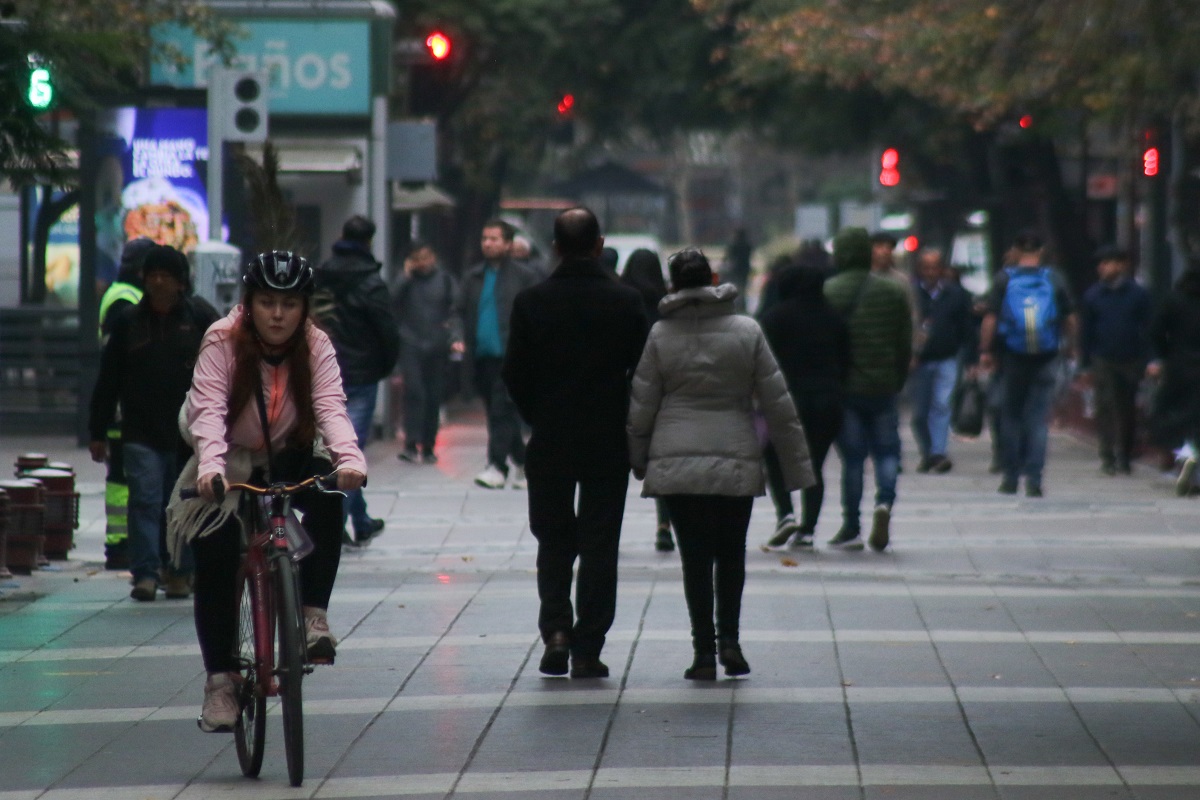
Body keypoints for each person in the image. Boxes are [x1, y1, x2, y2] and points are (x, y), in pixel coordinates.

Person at [166, 251, 367, 733]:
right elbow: (208, 413)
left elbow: (331, 407)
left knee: (327, 494)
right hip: (227, 453)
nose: (278, 315)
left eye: (290, 304)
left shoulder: (316, 346)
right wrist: (211, 471)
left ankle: (313, 615)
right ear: (249, 303)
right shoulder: (222, 340)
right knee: (215, 553)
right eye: (266, 302)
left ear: (304, 308)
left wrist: (350, 459)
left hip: (288, 446)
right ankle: (221, 682)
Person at [627, 249, 814, 681]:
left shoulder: (660, 335)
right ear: (712, 278)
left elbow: (642, 404)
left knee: (694, 559)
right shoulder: (746, 331)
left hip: (677, 462)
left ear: (672, 284)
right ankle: (731, 640)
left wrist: (638, 459)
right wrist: (797, 468)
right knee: (731, 553)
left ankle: (703, 652)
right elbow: (778, 403)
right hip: (735, 457)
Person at [503, 208, 650, 679]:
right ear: (599, 243)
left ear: (555, 246)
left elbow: (514, 373)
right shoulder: (626, 302)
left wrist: (537, 415)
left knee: (553, 538)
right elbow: (643, 372)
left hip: (550, 438)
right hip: (607, 438)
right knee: (600, 543)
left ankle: (557, 630)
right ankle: (589, 645)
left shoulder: (531, 302)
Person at [89, 244, 219, 600]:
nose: (159, 283)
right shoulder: (128, 322)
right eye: (153, 276)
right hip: (140, 430)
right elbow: (108, 380)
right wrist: (97, 431)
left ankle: (178, 570)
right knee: (145, 501)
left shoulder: (200, 319)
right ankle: (145, 572)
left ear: (181, 282)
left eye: (167, 276)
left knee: (180, 503)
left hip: (187, 434)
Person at [823, 227, 912, 551]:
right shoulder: (893, 291)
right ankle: (884, 504)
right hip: (884, 385)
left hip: (846, 389)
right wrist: (899, 377)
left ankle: (851, 525)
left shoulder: (829, 291)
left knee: (854, 459)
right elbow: (904, 342)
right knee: (887, 452)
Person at [314, 215, 400, 545]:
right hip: (362, 374)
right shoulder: (371, 282)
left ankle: (360, 520)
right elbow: (387, 330)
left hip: (326, 371)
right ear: (369, 241)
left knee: (338, 449)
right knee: (349, 452)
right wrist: (385, 365)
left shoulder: (322, 274)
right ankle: (337, 525)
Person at [978, 231, 1078, 497]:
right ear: (1042, 250)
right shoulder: (1055, 278)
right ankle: (1034, 479)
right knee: (1037, 418)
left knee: (1011, 415)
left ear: (1015, 250)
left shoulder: (1004, 278)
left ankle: (1010, 478)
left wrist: (986, 351)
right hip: (1046, 355)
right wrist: (1071, 348)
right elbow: (1069, 318)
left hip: (1013, 356)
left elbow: (990, 318)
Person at [760, 264, 851, 548]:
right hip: (827, 400)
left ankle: (786, 514)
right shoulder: (834, 317)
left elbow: (762, 362)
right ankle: (808, 529)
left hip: (786, 400)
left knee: (776, 459)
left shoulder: (776, 317)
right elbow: (847, 360)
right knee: (814, 465)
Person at [454, 219, 539, 489]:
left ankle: (496, 466)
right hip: (481, 356)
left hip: (512, 354)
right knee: (496, 412)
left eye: (494, 239)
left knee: (502, 409)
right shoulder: (473, 276)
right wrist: (456, 337)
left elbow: (535, 313)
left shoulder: (524, 276)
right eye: (484, 239)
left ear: (508, 243)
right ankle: (525, 462)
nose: (488, 244)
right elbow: (457, 310)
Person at [96, 236, 155, 571]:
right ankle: (119, 543)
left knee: (124, 475)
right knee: (120, 476)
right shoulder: (124, 300)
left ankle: (122, 542)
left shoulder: (120, 295)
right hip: (123, 406)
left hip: (123, 403)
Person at [1077, 246, 1152, 475]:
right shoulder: (1093, 296)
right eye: (1100, 264)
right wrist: (1084, 364)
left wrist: (1149, 359)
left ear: (1122, 265)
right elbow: (1086, 331)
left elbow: (1148, 329)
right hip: (1103, 357)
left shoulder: (1138, 295)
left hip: (1131, 357)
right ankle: (1107, 455)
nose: (1102, 267)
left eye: (1107, 262)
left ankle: (1125, 454)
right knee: (1105, 407)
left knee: (1127, 408)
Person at [620, 248, 675, 552]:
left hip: (626, 386)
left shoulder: (621, 298)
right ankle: (664, 523)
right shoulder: (665, 304)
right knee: (662, 457)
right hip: (661, 388)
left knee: (622, 456)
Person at [391, 240, 457, 465]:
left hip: (437, 345)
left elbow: (455, 309)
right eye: (418, 258)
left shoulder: (445, 280)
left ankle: (428, 445)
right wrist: (405, 275)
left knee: (433, 395)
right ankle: (411, 442)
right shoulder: (407, 281)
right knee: (415, 392)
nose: (423, 262)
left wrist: (454, 336)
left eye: (426, 257)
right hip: (411, 342)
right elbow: (392, 301)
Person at [910, 247, 975, 473]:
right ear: (919, 269)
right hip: (919, 362)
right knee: (919, 414)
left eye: (934, 267)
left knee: (941, 405)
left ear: (942, 269)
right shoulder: (911, 293)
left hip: (947, 358)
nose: (930, 272)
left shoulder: (956, 294)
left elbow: (967, 328)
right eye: (925, 267)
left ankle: (938, 453)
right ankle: (928, 452)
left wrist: (972, 360)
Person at [1146, 265, 1200, 494]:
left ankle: (1183, 458)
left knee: (1178, 417)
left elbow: (1155, 331)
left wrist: (1161, 356)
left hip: (1179, 367)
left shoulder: (1174, 300)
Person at [723, 227, 753, 297]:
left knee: (736, 285)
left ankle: (737, 301)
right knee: (743, 286)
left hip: (735, 268)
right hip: (745, 268)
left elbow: (728, 256)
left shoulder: (734, 245)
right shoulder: (747, 246)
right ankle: (742, 302)